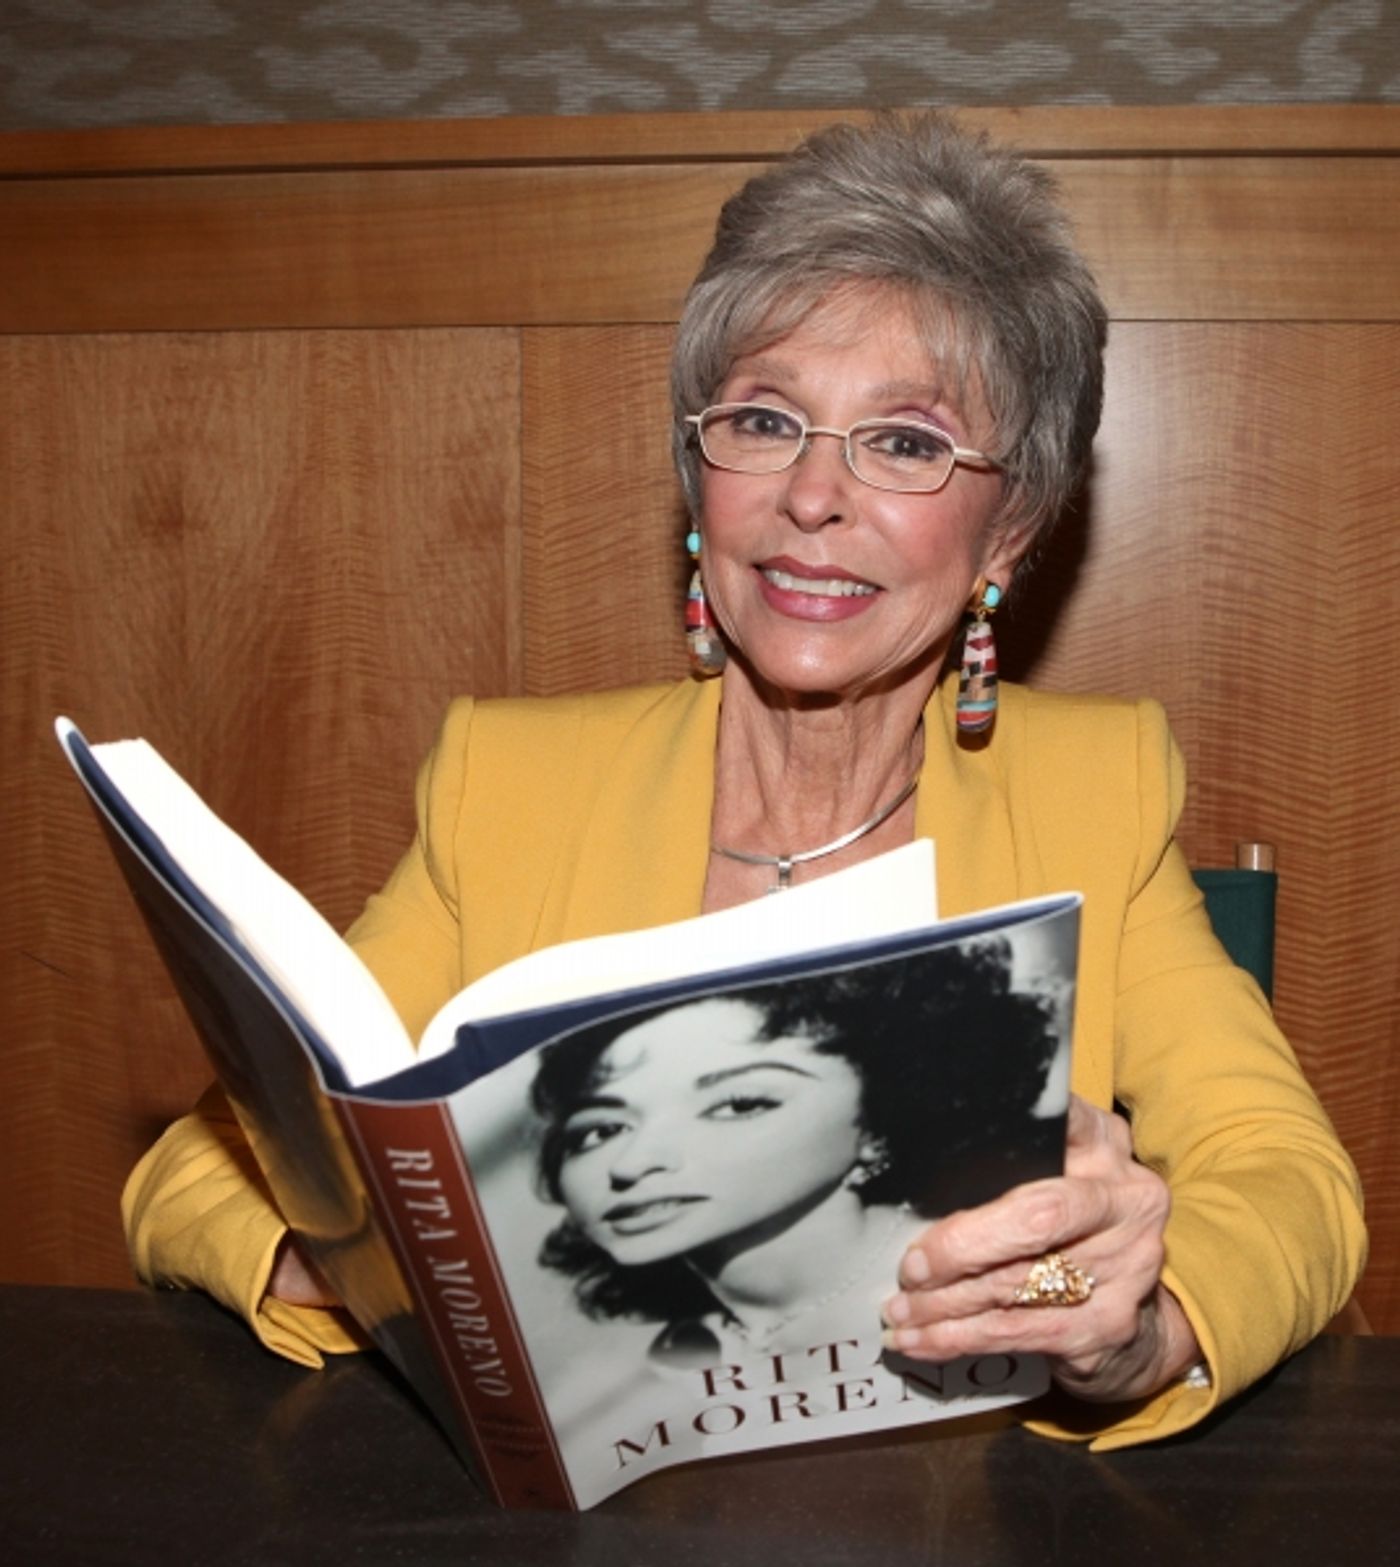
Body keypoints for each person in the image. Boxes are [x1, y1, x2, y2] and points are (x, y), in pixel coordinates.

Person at [123, 110, 1366, 1448]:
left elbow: (1293, 1184)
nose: (811, 498)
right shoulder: (512, 785)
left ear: (1008, 525)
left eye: (904, 442)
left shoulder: (1097, 791)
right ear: (697, 474)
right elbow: (201, 1171)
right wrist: (413, 1283)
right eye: (765, 420)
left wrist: (1111, 1321)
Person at [527, 943, 1063, 1360]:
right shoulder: (682, 1352)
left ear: (879, 1118)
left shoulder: (998, 1269)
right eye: (599, 1131)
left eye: (739, 1103)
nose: (629, 1165)